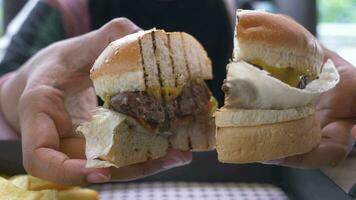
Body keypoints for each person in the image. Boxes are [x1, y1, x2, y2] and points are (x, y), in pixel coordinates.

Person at [0, 0, 355, 185]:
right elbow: (7, 78)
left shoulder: (241, 10)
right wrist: (25, 79)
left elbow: (308, 72)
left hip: (235, 182)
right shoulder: (59, 9)